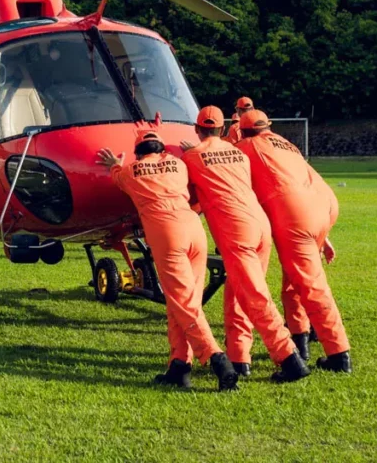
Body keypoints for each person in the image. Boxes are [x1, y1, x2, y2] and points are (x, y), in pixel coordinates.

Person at [98, 131, 238, 391]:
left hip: (167, 235)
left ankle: (217, 359)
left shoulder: (132, 170)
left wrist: (114, 165)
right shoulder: (180, 166)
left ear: (138, 152)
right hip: (195, 230)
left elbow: (118, 177)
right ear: (162, 149)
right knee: (184, 302)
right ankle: (179, 365)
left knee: (183, 304)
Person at [180, 105, 310, 382]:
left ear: (197, 129)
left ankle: (290, 359)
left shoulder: (192, 157)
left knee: (255, 296)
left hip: (236, 232)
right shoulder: (238, 152)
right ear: (223, 129)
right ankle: (240, 358)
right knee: (237, 293)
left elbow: (189, 199)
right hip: (260, 225)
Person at [234, 110, 351, 372]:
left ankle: (339, 354)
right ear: (269, 127)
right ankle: (301, 339)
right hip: (321, 205)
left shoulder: (245, 147)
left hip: (295, 214)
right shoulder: (286, 144)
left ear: (241, 130)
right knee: (294, 283)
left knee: (311, 286)